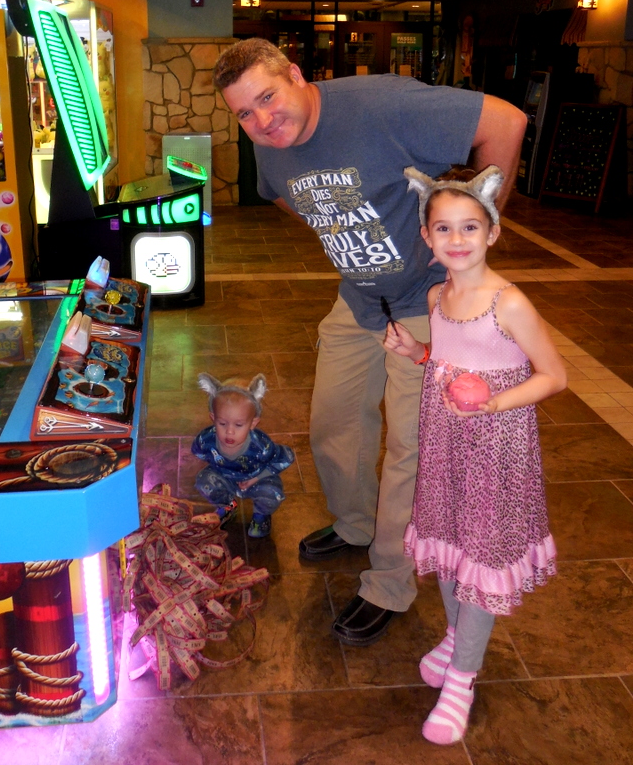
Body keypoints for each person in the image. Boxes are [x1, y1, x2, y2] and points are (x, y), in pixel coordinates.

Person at [212, 38, 527, 644]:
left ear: (295, 74)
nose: (262, 120)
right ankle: (357, 524)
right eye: (244, 113)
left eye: (268, 98)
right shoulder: (267, 148)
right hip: (358, 301)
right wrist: (343, 234)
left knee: (410, 450)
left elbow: (506, 122)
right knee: (335, 424)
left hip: (428, 305)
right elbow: (283, 196)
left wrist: (476, 230)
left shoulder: (383, 105)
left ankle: (389, 580)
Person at [384, 165, 566, 744]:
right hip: (446, 442)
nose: (457, 239)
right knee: (448, 541)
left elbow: (555, 376)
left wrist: (494, 403)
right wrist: (418, 352)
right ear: (427, 236)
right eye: (443, 228)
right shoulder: (437, 296)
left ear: (493, 232)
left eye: (470, 226)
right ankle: (456, 633)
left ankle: (463, 675)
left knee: (481, 553)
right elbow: (448, 358)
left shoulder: (508, 303)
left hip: (496, 448)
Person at [191, 372, 295, 538]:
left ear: (253, 423)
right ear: (213, 418)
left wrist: (256, 478)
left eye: (239, 425)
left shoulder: (261, 445)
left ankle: (261, 515)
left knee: (271, 492)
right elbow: (198, 450)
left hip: (256, 479)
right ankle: (227, 505)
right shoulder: (206, 439)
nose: (229, 431)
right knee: (204, 481)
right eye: (222, 423)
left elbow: (286, 457)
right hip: (225, 477)